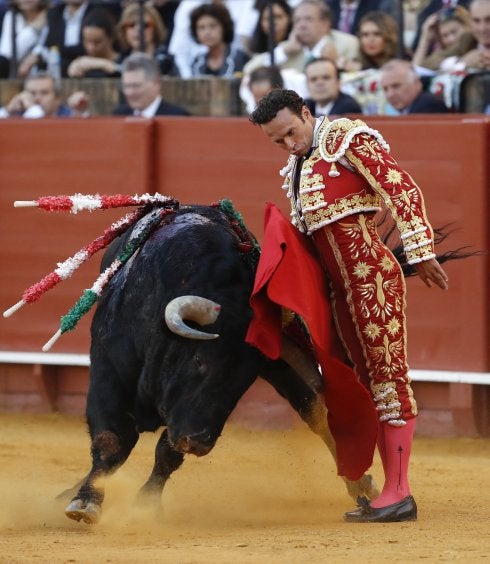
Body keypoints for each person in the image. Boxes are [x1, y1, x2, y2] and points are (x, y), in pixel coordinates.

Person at [249, 88, 449, 523]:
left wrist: (421, 250)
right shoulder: (298, 168)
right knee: (361, 383)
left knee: (387, 378)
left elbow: (401, 186)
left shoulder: (345, 137)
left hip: (372, 279)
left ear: (306, 113)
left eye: (290, 132)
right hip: (341, 292)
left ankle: (399, 492)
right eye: (276, 141)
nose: (288, 144)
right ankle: (391, 490)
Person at [244, 0, 360, 75]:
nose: (302, 25)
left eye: (308, 19)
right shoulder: (288, 48)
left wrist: (338, 62)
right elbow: (248, 70)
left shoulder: (347, 43)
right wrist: (282, 52)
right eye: (297, 20)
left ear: (326, 24)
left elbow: (365, 79)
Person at [112, 52, 189, 117]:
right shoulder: (118, 116)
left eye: (136, 86)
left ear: (156, 83)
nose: (130, 92)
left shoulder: (178, 117)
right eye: (127, 86)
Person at [115, 2, 179, 77]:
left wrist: (114, 69)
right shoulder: (120, 61)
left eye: (145, 25)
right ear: (124, 31)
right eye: (131, 25)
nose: (138, 29)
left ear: (155, 29)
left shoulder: (167, 61)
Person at [189, 3, 250, 78]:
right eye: (201, 28)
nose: (207, 32)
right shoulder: (197, 62)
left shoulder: (240, 58)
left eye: (213, 26)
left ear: (224, 27)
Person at [412, 5, 475, 71]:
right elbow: (415, 72)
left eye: (454, 32)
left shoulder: (478, 46)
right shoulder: (437, 59)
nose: (451, 39)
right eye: (445, 35)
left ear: (466, 26)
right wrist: (425, 39)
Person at [0, 70, 89, 118]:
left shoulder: (68, 116)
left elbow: (39, 126)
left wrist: (79, 111)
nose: (37, 98)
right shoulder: (18, 114)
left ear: (57, 98)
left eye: (44, 93)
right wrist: (7, 111)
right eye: (32, 93)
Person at [380, 58, 450, 113]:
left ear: (416, 83)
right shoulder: (410, 108)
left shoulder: (428, 106)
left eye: (396, 86)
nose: (390, 94)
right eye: (385, 89)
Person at [0, 0, 49, 78]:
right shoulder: (11, 15)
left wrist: (36, 56)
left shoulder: (54, 14)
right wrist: (34, 29)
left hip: (46, 73)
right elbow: (7, 54)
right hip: (16, 75)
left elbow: (52, 47)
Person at [67, 8, 119, 78]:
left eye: (97, 42)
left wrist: (101, 64)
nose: (91, 48)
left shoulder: (123, 61)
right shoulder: (79, 62)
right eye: (87, 41)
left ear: (111, 38)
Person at [461, 0, 490, 70]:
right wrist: (463, 63)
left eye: (489, 20)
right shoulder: (466, 39)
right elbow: (434, 62)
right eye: (476, 21)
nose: (482, 28)